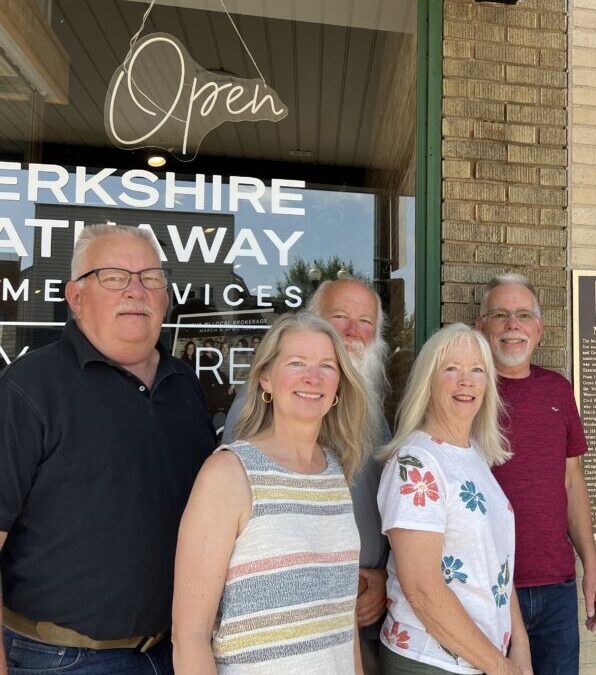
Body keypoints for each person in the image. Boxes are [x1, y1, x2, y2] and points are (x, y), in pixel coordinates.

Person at [0, 224, 216, 674]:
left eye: (151, 278)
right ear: (75, 297)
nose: (136, 291)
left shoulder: (186, 387)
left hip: (178, 653)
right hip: (61, 658)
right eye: (114, 277)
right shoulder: (31, 389)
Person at [173, 311, 370, 674]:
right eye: (297, 363)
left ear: (339, 385)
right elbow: (189, 638)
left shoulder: (335, 474)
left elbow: (342, 622)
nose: (313, 377)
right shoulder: (229, 474)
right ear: (265, 378)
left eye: (327, 366)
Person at [221, 278, 391, 673]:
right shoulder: (260, 411)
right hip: (282, 635)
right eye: (340, 318)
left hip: (360, 623)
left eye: (365, 321)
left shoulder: (374, 413)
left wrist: (383, 575)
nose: (352, 331)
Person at [377, 323, 531, 674]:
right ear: (428, 382)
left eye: (477, 370)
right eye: (452, 369)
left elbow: (496, 567)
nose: (467, 381)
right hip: (429, 660)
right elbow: (422, 591)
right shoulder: (415, 463)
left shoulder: (474, 454)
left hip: (483, 657)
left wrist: (519, 644)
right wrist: (499, 666)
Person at [474, 273, 596, 674]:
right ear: (481, 326)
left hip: (556, 587)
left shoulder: (557, 390)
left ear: (539, 329)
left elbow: (571, 482)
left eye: (522, 315)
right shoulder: (466, 392)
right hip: (486, 588)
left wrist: (592, 569)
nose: (512, 325)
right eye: (500, 314)